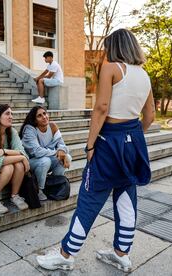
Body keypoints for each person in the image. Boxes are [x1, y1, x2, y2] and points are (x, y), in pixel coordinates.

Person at [36, 29, 155, 272]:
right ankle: (122, 253)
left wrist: (90, 144)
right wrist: (131, 136)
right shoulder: (144, 75)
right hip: (133, 139)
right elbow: (150, 116)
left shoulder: (112, 68)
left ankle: (66, 254)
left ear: (115, 47)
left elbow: (101, 108)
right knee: (125, 196)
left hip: (109, 141)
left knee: (90, 197)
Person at [20, 106, 72, 201]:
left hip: (45, 160)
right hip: (30, 163)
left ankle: (53, 184)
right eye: (39, 116)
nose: (44, 117)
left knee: (66, 157)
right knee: (45, 161)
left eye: (44, 113)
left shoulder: (52, 126)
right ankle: (39, 190)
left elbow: (62, 145)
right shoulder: (29, 129)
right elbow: (37, 152)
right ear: (34, 120)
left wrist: (62, 151)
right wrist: (57, 152)